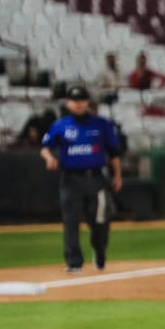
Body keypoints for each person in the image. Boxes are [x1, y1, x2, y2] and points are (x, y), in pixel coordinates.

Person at [39, 86, 124, 273]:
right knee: (71, 220)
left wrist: (117, 175)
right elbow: (45, 147)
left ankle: (99, 250)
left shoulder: (101, 124)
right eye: (74, 100)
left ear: (87, 102)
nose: (78, 104)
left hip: (96, 178)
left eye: (82, 100)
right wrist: (49, 158)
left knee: (100, 221)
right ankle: (74, 262)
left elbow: (114, 152)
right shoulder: (60, 125)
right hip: (71, 179)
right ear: (68, 102)